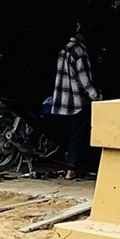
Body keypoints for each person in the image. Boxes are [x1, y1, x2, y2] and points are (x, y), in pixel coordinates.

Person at [48, 22, 99, 179]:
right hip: (76, 101)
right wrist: (94, 95)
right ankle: (72, 169)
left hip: (61, 101)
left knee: (67, 134)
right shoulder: (79, 52)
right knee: (78, 135)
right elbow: (83, 78)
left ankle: (65, 166)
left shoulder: (64, 49)